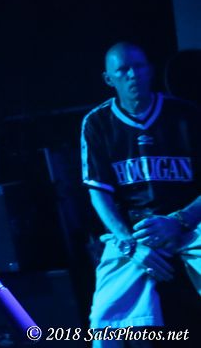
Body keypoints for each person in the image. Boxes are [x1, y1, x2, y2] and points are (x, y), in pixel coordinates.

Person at [81, 42, 201, 346]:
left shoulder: (186, 114)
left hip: (190, 223)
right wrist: (129, 243)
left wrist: (179, 220)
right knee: (104, 323)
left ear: (150, 70)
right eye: (123, 70)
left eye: (139, 66)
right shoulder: (97, 122)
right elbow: (99, 194)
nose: (133, 75)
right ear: (109, 79)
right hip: (135, 233)